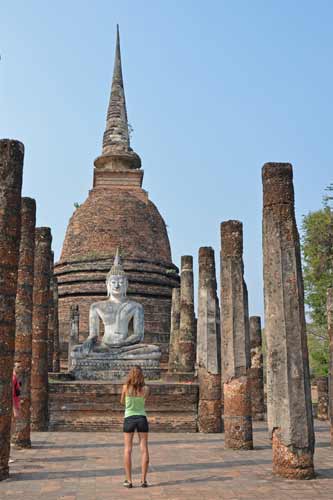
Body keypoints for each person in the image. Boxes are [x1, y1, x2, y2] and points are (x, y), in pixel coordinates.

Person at [121, 366, 150, 488]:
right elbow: (144, 400)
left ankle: (129, 480)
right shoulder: (146, 389)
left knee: (128, 450)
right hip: (142, 418)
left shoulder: (125, 387)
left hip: (129, 418)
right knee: (144, 448)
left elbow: (122, 401)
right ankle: (143, 480)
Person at [9, 362, 21, 464]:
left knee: (11, 432)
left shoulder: (16, 377)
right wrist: (14, 409)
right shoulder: (12, 378)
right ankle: (7, 456)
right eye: (17, 367)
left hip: (15, 406)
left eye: (20, 366)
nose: (19, 368)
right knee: (8, 432)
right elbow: (11, 396)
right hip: (12, 408)